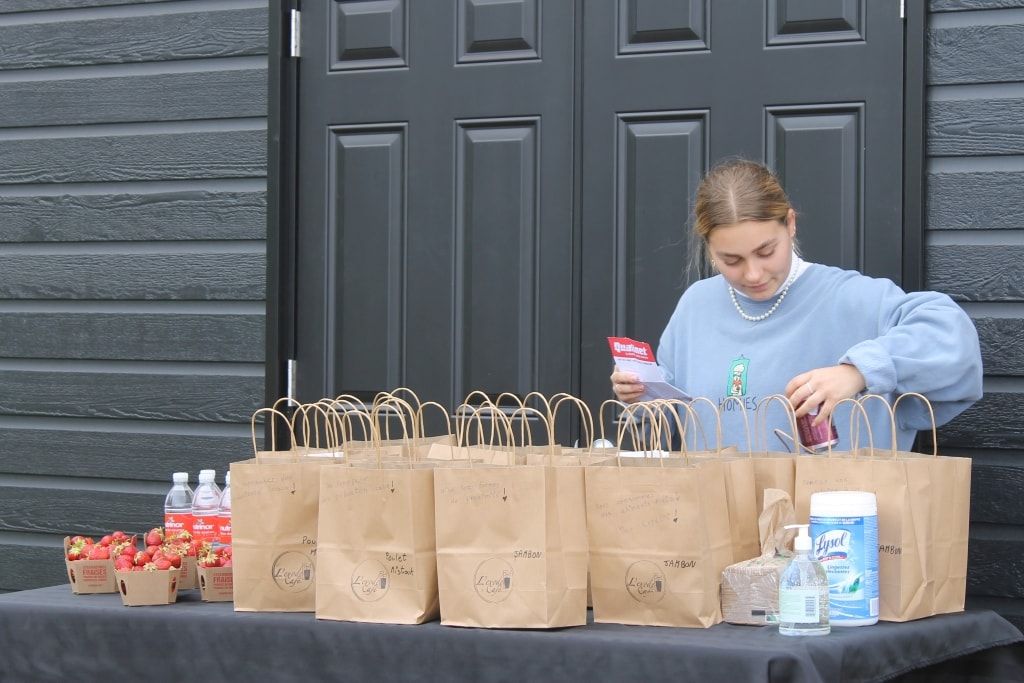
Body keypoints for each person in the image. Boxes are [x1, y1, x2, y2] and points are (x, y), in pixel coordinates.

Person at [610, 159, 982, 452]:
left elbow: (951, 337)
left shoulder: (850, 298)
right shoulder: (696, 306)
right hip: (719, 530)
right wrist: (641, 395)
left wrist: (858, 372)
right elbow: (672, 424)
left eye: (765, 251)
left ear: (789, 224)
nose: (753, 274)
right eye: (731, 260)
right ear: (708, 248)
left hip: (830, 538)